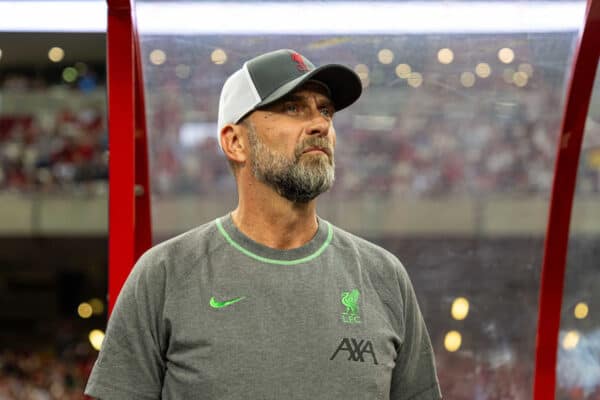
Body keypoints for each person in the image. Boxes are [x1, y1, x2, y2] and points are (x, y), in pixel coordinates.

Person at [85, 49, 442, 400]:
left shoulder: (384, 276)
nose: (320, 124)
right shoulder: (164, 275)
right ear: (235, 142)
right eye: (292, 108)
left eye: (325, 110)